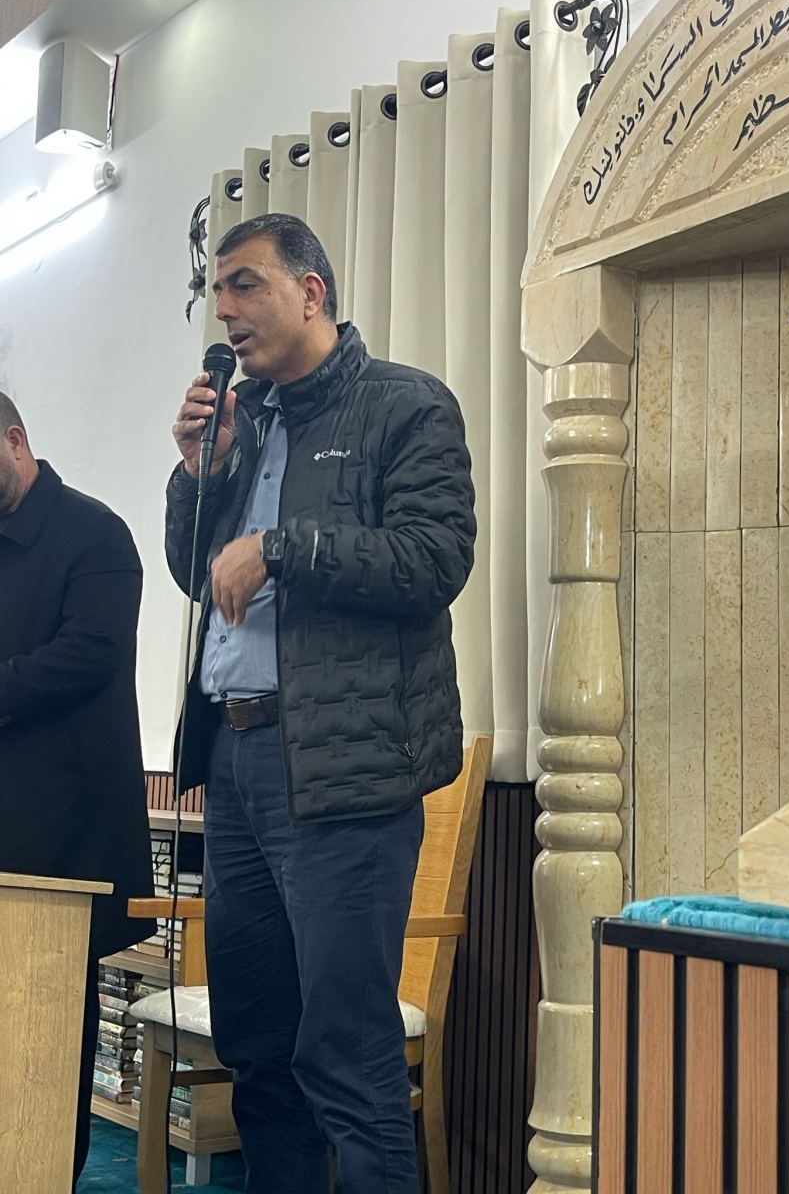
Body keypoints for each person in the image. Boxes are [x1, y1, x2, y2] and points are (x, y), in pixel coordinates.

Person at [165, 212, 475, 1193]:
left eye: (246, 284)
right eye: (219, 291)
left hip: (345, 771)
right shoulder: (244, 421)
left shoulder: (405, 406)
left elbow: (434, 559)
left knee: (346, 1057)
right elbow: (196, 572)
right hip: (236, 766)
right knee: (258, 1049)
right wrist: (200, 474)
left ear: (312, 292)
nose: (226, 309)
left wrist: (282, 547)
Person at [0, 391, 155, 1188]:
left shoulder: (95, 534)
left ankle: (47, 1176)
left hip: (61, 840)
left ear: (14, 440)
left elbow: (88, 655)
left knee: (47, 1040)